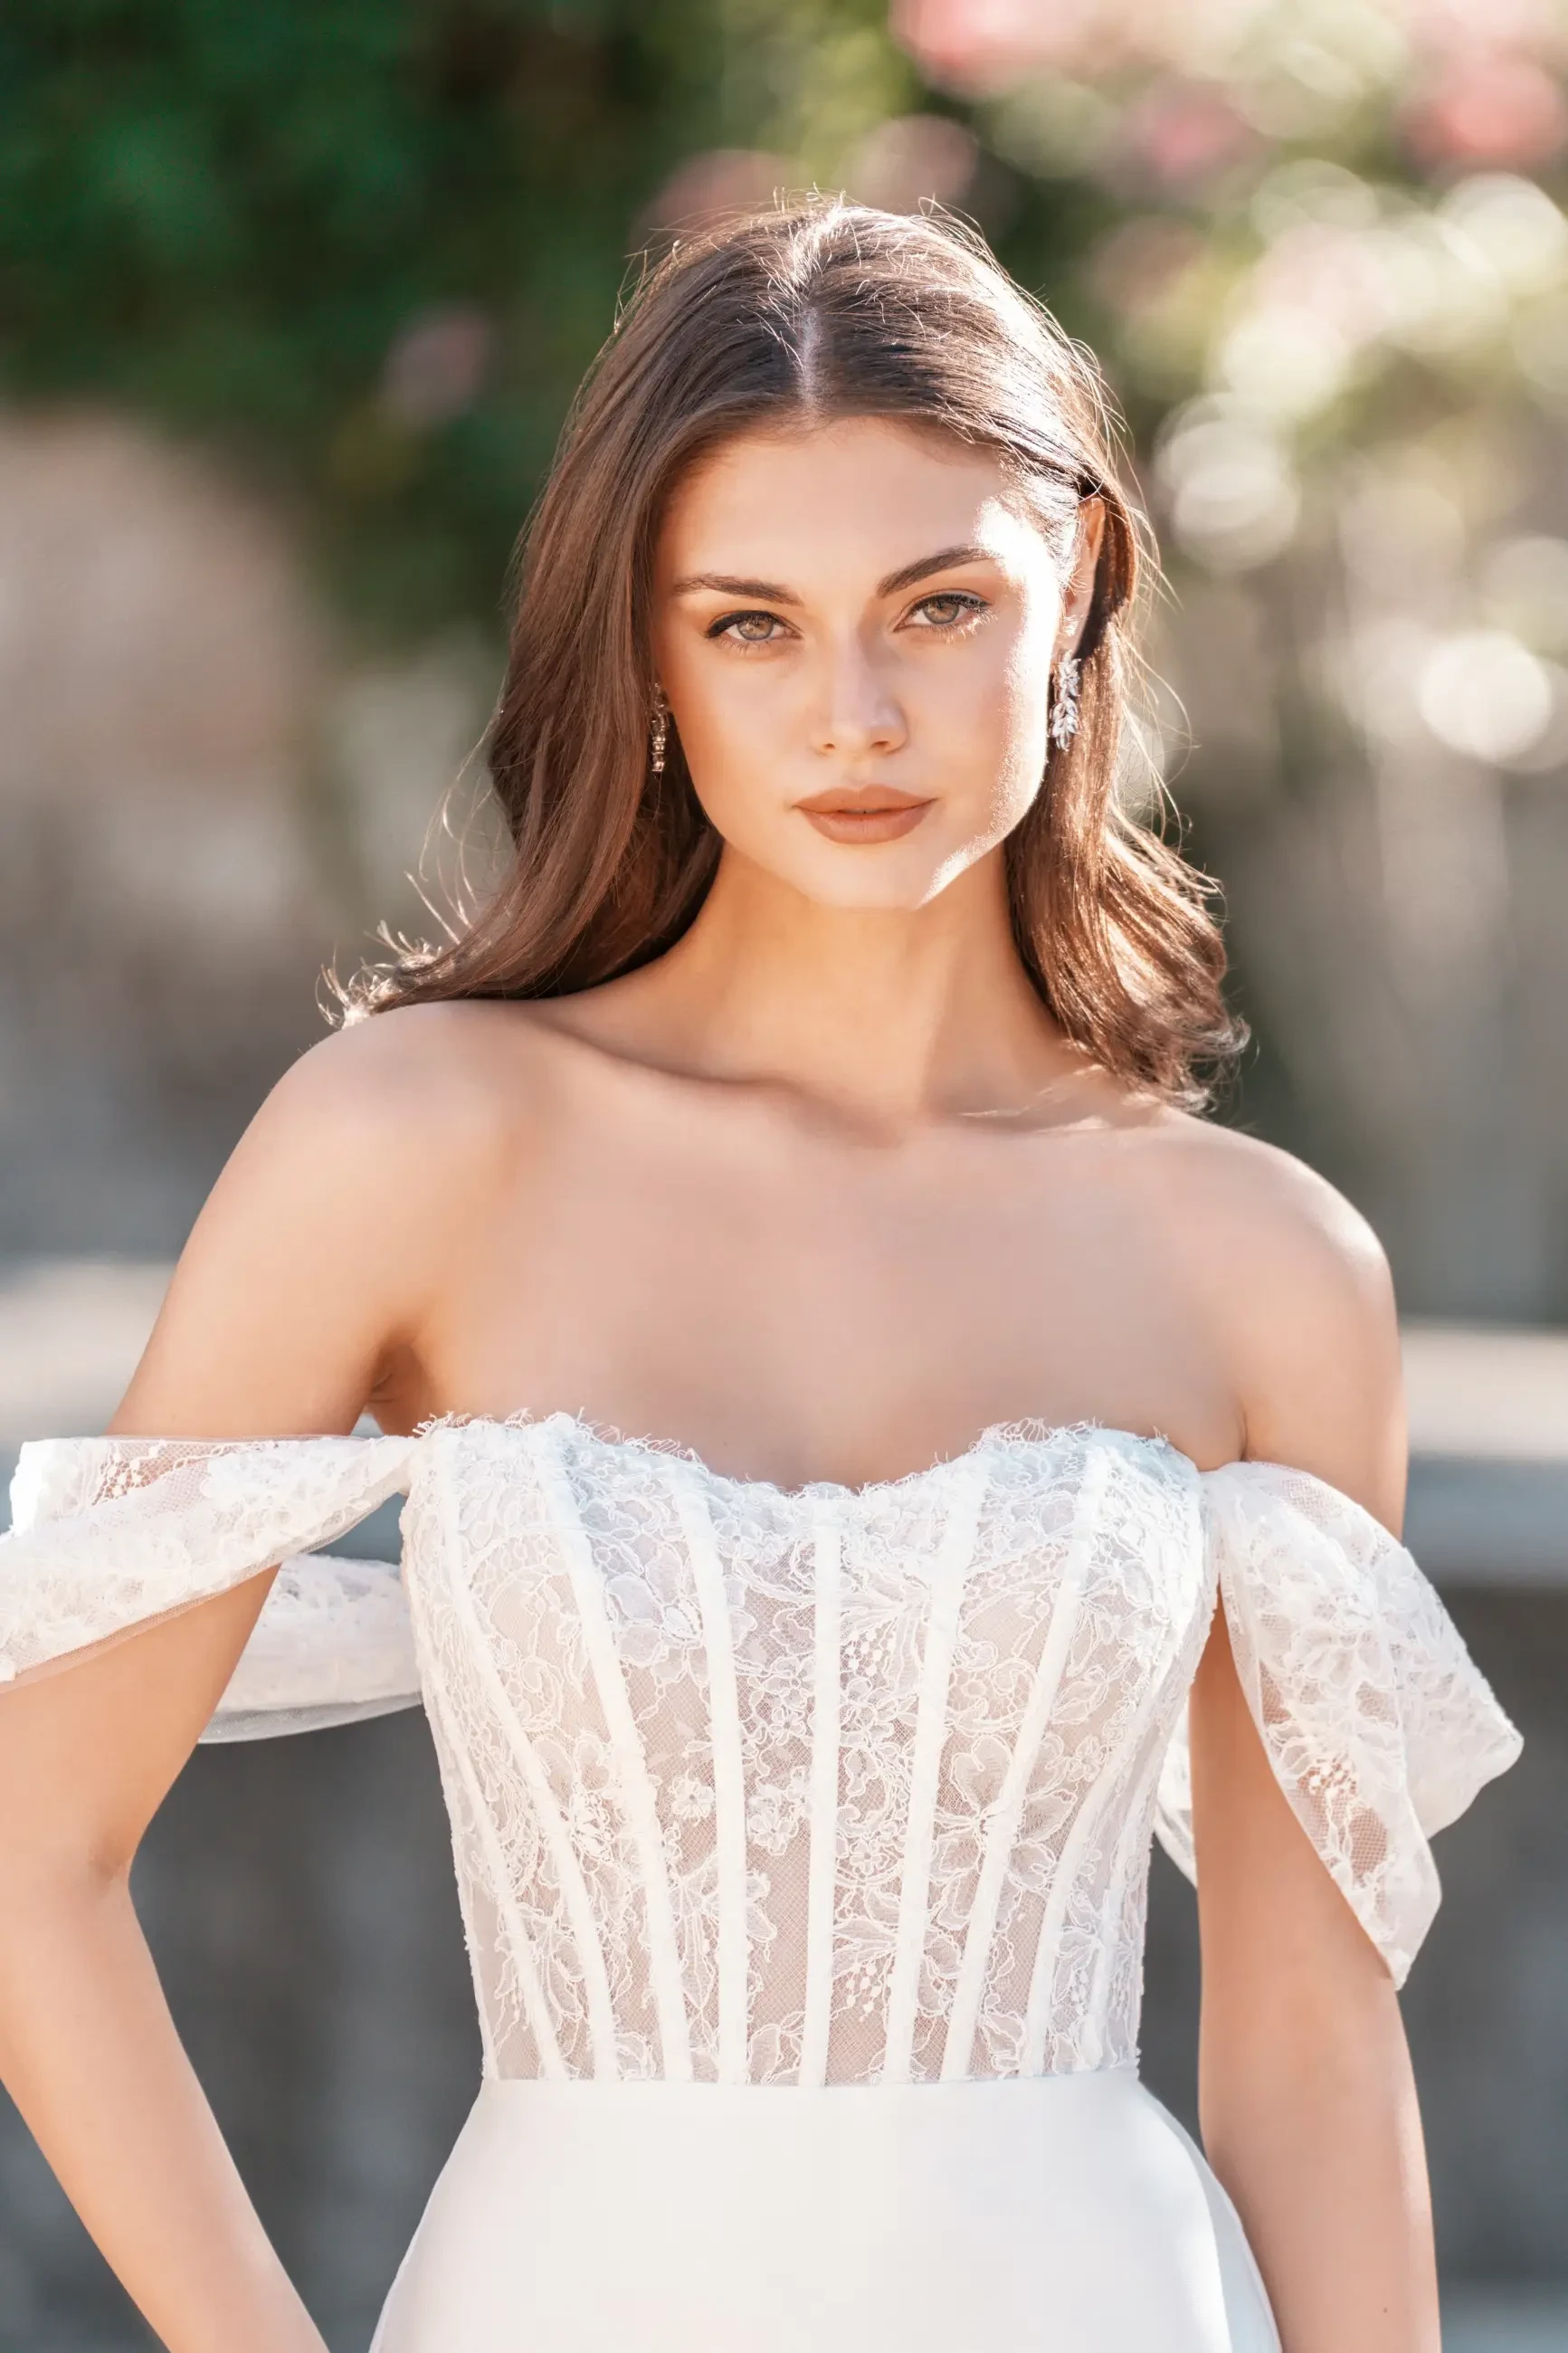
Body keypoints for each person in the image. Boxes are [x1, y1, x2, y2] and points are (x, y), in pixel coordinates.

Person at [0, 197, 1521, 2353]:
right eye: (749, 626)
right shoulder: (417, 1143)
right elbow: (29, 1854)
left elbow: (1301, 2047)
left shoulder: (1261, 1265)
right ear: (643, 642)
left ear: (1074, 580)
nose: (853, 717)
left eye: (934, 606)